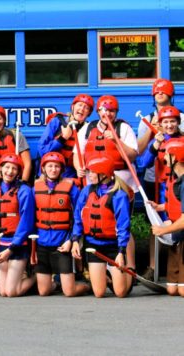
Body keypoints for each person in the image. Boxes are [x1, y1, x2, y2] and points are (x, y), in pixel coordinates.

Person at [73, 95, 138, 272]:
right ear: (98, 111)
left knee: (123, 222)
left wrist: (116, 141)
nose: (107, 114)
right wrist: (79, 168)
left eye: (111, 111)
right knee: (93, 217)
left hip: (120, 180)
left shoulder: (123, 127)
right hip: (94, 180)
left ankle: (129, 265)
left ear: (116, 112)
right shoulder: (88, 128)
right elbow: (77, 153)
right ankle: (96, 267)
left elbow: (132, 154)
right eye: (104, 110)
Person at [71, 156, 132, 298]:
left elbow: (123, 226)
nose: (89, 175)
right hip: (93, 246)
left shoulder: (119, 195)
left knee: (121, 293)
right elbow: (78, 218)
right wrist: (75, 240)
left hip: (113, 247)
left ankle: (128, 271)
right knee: (99, 293)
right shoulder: (87, 191)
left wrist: (121, 252)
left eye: (92, 172)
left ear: (104, 174)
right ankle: (107, 275)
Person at [33, 152, 90, 297]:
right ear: (44, 168)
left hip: (62, 244)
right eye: (50, 166)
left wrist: (71, 240)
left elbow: (78, 218)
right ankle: (56, 284)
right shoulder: (36, 188)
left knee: (69, 292)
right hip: (42, 244)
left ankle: (89, 285)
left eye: (57, 166)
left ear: (61, 169)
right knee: (44, 291)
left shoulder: (71, 188)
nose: (53, 169)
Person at [138, 105, 184, 280]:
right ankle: (155, 267)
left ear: (178, 123)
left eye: (173, 121)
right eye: (166, 122)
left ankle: (179, 270)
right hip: (162, 190)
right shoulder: (157, 141)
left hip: (179, 188)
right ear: (161, 124)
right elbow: (143, 164)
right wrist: (155, 144)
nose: (170, 125)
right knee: (160, 226)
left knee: (180, 225)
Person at [0, 153, 36, 297]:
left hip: (17, 245)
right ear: (0, 168)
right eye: (7, 167)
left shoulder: (24, 191)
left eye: (14, 168)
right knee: (2, 292)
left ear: (18, 172)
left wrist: (11, 248)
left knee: (11, 292)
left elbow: (26, 222)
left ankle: (38, 278)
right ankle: (20, 279)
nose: (10, 171)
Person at [151, 138, 184, 296]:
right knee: (171, 290)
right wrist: (160, 207)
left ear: (176, 157)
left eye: (167, 155)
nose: (163, 158)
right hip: (177, 236)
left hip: (181, 234)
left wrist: (163, 230)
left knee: (182, 291)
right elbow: (176, 204)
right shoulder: (177, 179)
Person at [39, 94, 94, 180]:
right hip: (50, 172)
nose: (82, 109)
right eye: (79, 105)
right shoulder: (57, 122)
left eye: (86, 108)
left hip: (72, 174)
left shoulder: (89, 129)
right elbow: (42, 150)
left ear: (89, 113)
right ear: (72, 107)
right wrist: (62, 139)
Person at [0, 104, 32, 183]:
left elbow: (27, 164)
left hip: (16, 180)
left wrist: (23, 183)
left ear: (4, 119)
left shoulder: (16, 135)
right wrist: (6, 174)